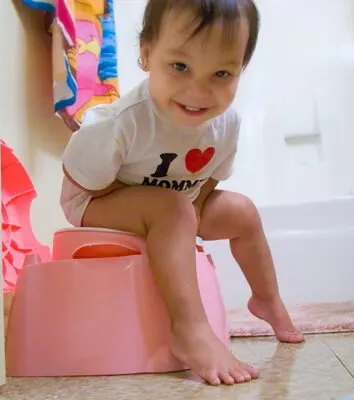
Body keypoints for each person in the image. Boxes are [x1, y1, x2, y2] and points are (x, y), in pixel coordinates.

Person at [60, 0, 303, 386]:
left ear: (240, 70)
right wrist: (163, 214)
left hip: (178, 201)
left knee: (243, 212)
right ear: (146, 54)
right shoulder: (125, 123)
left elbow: (208, 181)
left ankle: (267, 299)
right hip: (99, 199)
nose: (198, 90)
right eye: (180, 67)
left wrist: (183, 216)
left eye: (221, 73)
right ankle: (190, 328)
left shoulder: (225, 124)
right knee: (172, 209)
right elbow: (84, 183)